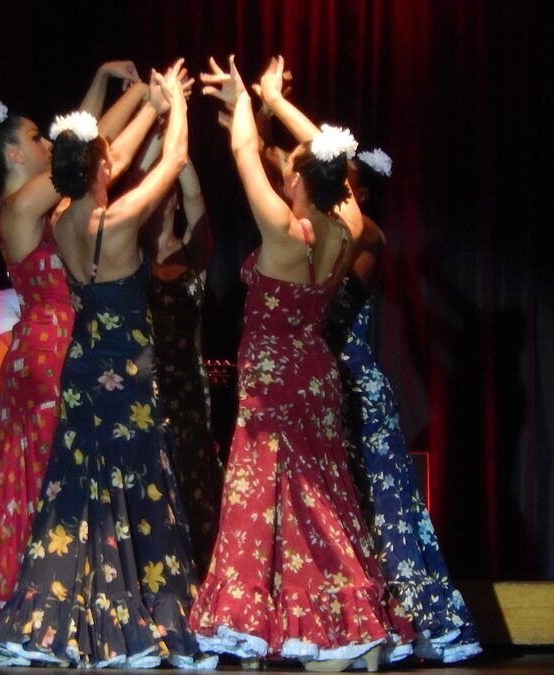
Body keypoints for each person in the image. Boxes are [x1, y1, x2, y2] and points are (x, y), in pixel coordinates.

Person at [0, 60, 164, 660]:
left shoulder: (39, 200)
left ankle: (46, 608)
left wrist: (129, 94)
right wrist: (143, 103)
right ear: (12, 154)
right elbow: (80, 151)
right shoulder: (19, 206)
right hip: (46, 353)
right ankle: (24, 611)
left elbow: (78, 145)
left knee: (38, 483)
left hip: (56, 348)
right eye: (33, 137)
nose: (44, 143)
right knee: (40, 485)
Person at [0, 60, 215, 669]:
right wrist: (173, 108)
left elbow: (86, 156)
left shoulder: (60, 224)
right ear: (100, 170)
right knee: (140, 492)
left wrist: (144, 105)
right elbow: (170, 164)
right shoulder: (117, 220)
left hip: (83, 371)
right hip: (131, 380)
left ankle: (49, 620)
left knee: (77, 494)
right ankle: (151, 619)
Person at [189, 56, 413, 672]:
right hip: (313, 373)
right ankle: (357, 626)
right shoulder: (348, 223)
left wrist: (241, 106)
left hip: (273, 384)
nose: (280, 169)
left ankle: (324, 636)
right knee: (327, 496)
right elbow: (323, 154)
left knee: (272, 501)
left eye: (287, 167)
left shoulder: (288, 235)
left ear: (298, 180)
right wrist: (272, 98)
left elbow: (242, 157)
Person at [324, 148, 482, 663]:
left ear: (361, 194)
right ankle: (366, 622)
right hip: (327, 388)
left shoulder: (366, 232)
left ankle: (414, 621)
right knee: (350, 510)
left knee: (387, 510)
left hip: (360, 389)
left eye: (343, 183)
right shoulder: (327, 232)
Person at [123, 127, 223, 579]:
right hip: (142, 388)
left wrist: (177, 153)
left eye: (167, 195)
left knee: (190, 481)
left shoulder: (192, 256)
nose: (160, 202)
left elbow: (198, 202)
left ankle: (197, 580)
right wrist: (157, 146)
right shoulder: (129, 259)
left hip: (185, 391)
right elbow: (136, 185)